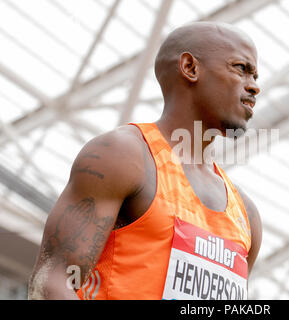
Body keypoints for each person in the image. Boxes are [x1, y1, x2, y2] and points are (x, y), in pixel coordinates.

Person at [28, 21, 262, 300]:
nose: (254, 87)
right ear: (190, 67)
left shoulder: (246, 216)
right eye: (241, 69)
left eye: (256, 77)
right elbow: (52, 283)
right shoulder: (123, 156)